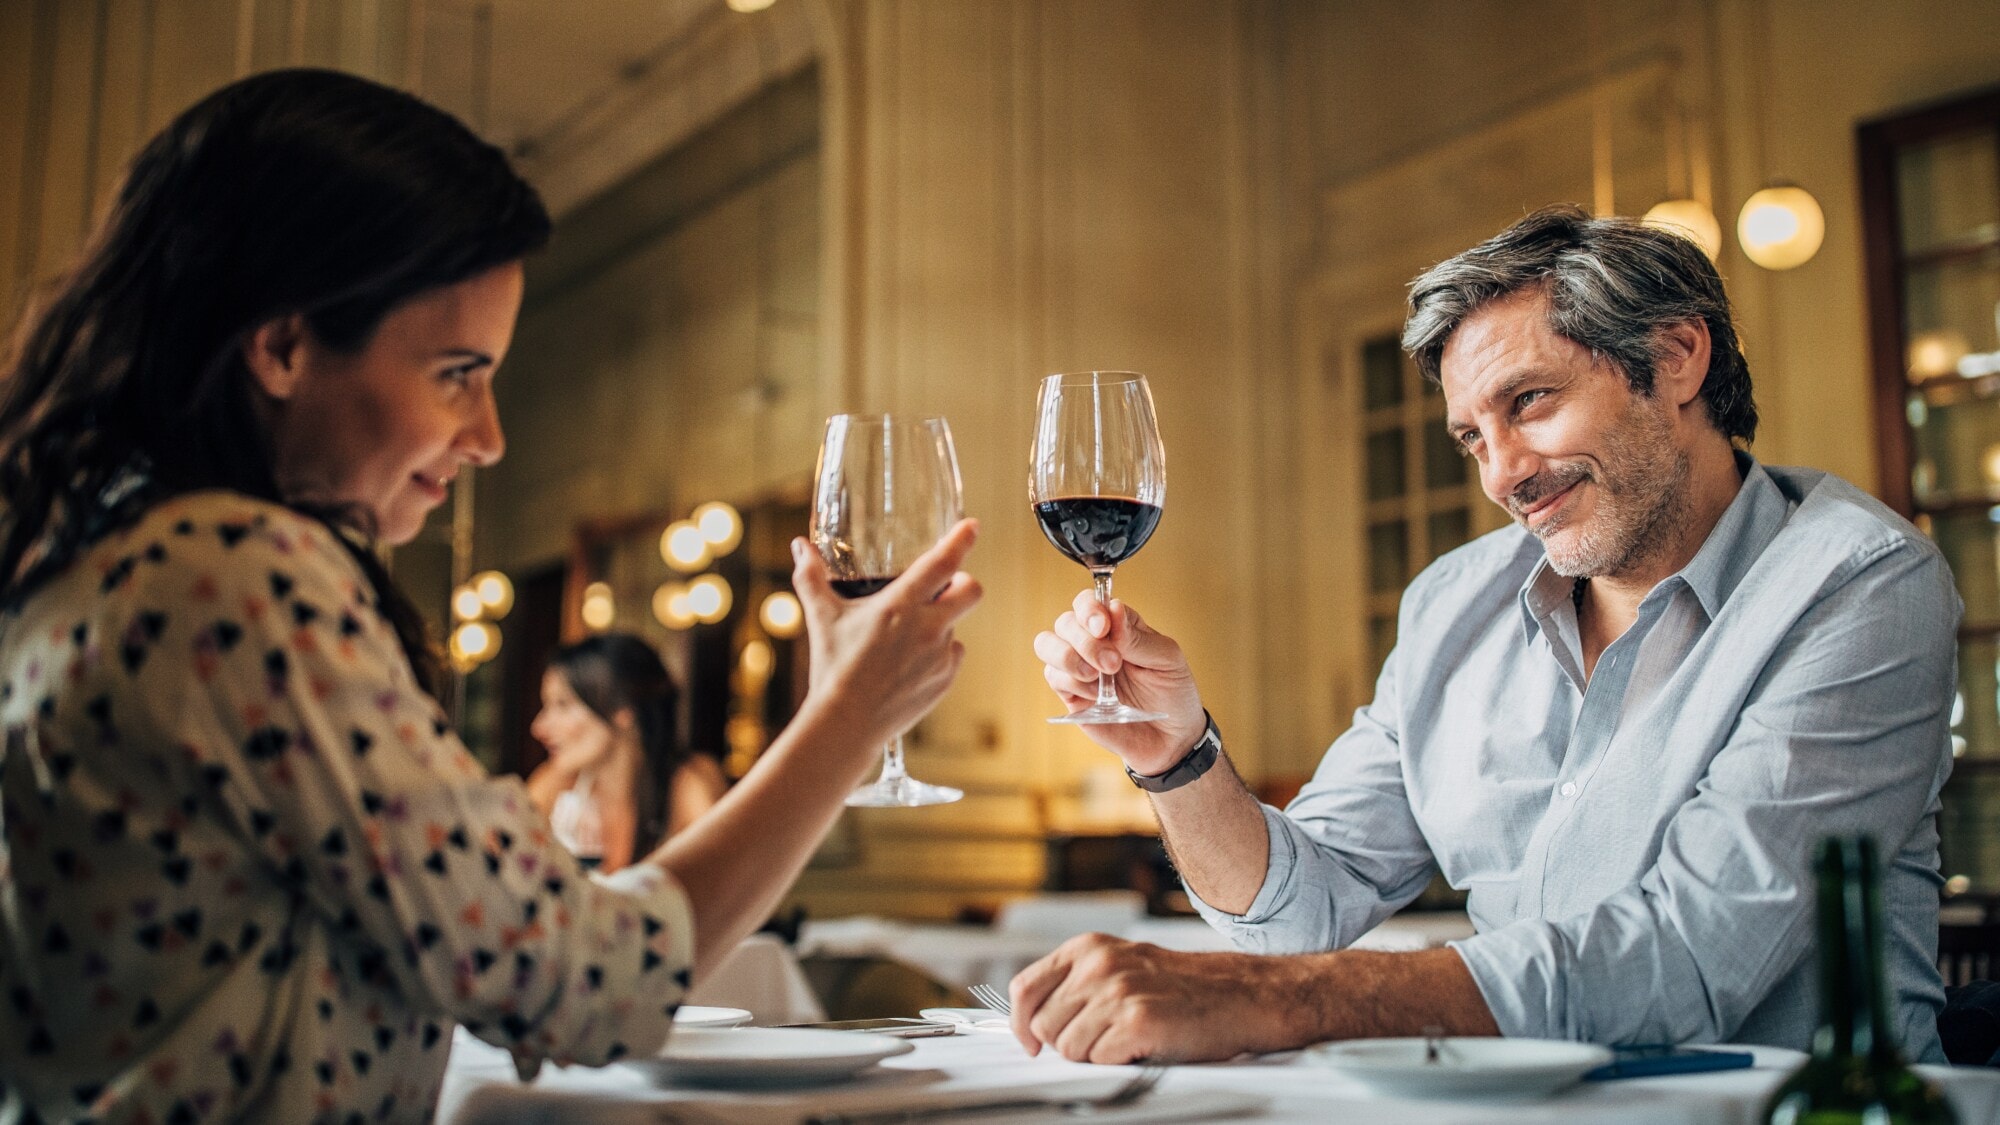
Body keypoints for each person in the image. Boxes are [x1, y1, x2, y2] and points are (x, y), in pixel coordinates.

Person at [0, 68, 980, 1124]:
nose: (487, 437)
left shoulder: (95, 542)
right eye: (456, 372)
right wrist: (844, 722)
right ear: (282, 345)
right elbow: (580, 980)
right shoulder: (232, 578)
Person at [1023, 205, 1958, 1065]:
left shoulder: (1858, 584)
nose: (1503, 474)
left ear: (1677, 357)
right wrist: (1180, 756)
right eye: (1471, 436)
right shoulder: (1451, 605)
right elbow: (1301, 908)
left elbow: (1693, 955)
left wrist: (1282, 998)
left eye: (1531, 403)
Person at [524, 632, 728, 873]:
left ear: (623, 709)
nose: (538, 727)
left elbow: (723, 888)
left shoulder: (687, 789)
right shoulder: (553, 787)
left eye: (562, 705)